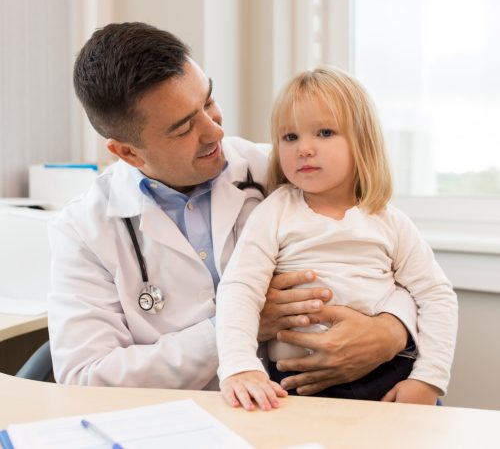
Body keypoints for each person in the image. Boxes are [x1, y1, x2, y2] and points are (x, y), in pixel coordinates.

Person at [48, 22, 417, 391]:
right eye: (182, 128)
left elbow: (391, 260)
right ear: (126, 152)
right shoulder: (84, 228)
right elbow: (86, 378)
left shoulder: (284, 170)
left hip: (298, 408)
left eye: (208, 101)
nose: (214, 131)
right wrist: (239, 323)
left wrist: (391, 330)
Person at [216, 66, 458, 410]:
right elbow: (240, 288)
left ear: (363, 142)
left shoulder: (387, 220)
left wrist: (427, 379)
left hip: (388, 379)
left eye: (325, 132)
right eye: (290, 137)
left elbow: (436, 296)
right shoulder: (274, 212)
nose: (304, 149)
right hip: (294, 388)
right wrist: (240, 366)